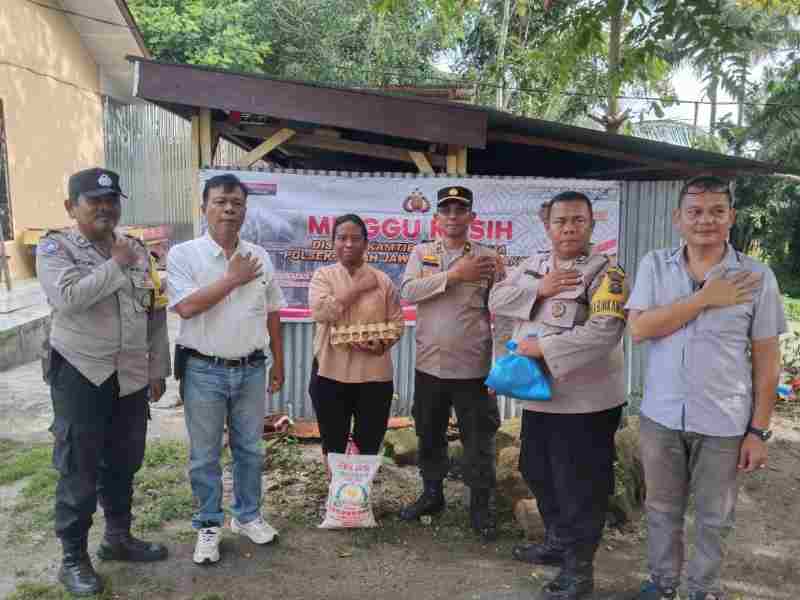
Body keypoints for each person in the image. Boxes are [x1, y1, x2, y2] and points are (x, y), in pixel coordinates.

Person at [626, 175, 786, 600]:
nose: (706, 221)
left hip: (724, 420)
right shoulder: (653, 265)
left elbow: (768, 362)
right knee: (661, 510)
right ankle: (662, 585)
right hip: (661, 416)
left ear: (731, 217)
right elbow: (639, 329)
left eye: (717, 211)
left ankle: (702, 589)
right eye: (695, 212)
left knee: (715, 516)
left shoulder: (757, 277)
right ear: (678, 218)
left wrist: (758, 431)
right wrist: (704, 299)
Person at [36, 168, 170, 596]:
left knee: (124, 460)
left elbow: (155, 310)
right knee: (79, 467)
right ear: (70, 207)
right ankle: (73, 558)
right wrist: (115, 264)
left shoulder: (135, 249)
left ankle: (118, 539)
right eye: (93, 200)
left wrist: (156, 369)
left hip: (129, 375)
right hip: (80, 372)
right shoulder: (55, 247)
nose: (105, 208)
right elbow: (68, 298)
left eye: (111, 200)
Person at [488, 191, 628, 600]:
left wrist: (543, 349)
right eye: (560, 221)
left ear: (591, 225)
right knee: (536, 469)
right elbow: (496, 299)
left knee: (580, 485)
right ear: (548, 225)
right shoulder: (534, 266)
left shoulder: (608, 273)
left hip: (586, 402)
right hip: (539, 396)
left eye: (578, 221)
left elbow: (605, 330)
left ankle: (579, 571)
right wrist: (540, 291)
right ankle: (557, 541)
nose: (568, 228)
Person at [167, 173, 286, 565]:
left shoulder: (260, 256)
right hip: (203, 369)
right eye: (220, 201)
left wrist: (278, 363)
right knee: (204, 455)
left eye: (236, 202)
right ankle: (208, 524)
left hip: (251, 368)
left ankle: (248, 515)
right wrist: (233, 279)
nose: (229, 208)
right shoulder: (184, 255)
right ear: (204, 207)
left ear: (245, 210)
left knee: (250, 449)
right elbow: (185, 307)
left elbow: (272, 312)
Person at [398, 186, 504, 541]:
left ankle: (480, 507)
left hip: (475, 369)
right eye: (446, 210)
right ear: (436, 218)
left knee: (479, 440)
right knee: (429, 432)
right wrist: (455, 275)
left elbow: (503, 313)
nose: (453, 216)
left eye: (461, 210)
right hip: (430, 365)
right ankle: (432, 495)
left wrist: (501, 366)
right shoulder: (422, 253)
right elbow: (408, 292)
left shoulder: (490, 258)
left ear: (472, 218)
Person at [308, 214, 405, 459]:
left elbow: (397, 323)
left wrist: (381, 343)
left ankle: (359, 495)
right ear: (333, 243)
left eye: (355, 238)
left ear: (366, 243)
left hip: (374, 378)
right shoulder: (323, 276)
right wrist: (358, 288)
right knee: (333, 446)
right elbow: (321, 312)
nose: (348, 244)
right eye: (342, 238)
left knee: (369, 446)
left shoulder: (383, 281)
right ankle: (337, 493)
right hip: (330, 375)